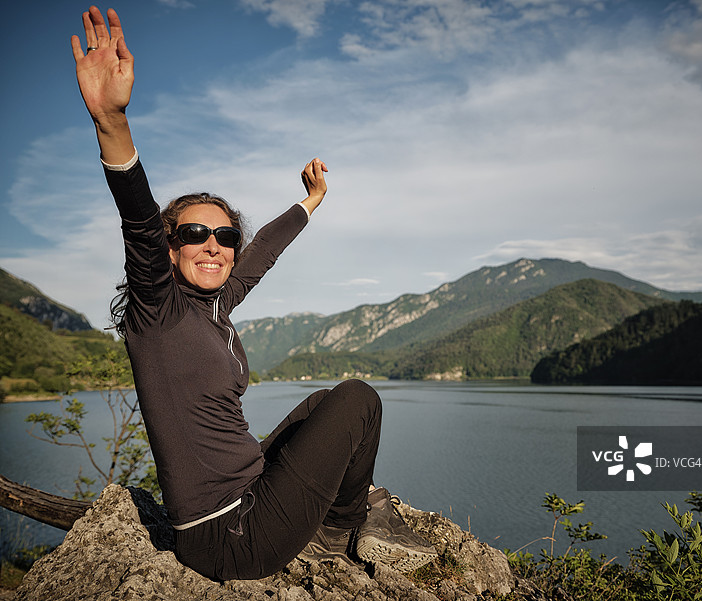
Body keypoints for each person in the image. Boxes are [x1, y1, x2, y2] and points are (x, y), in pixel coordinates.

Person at [71, 6, 436, 581]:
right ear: (169, 250)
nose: (213, 246)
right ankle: (339, 529)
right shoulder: (158, 310)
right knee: (359, 399)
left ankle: (336, 516)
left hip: (251, 494)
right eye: (194, 234)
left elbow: (262, 251)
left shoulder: (213, 304)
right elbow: (138, 217)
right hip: (230, 535)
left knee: (322, 405)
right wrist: (112, 122)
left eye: (224, 236)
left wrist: (310, 202)